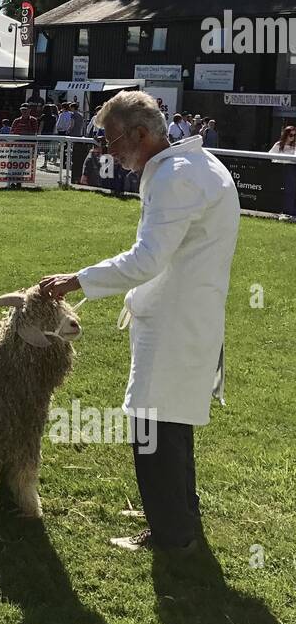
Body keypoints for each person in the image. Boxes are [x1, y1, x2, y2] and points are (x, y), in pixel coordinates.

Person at [41, 90, 240, 555]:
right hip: (188, 316)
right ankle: (180, 520)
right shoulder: (198, 165)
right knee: (172, 424)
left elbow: (147, 259)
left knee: (152, 426)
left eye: (112, 140)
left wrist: (77, 280)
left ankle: (172, 534)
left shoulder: (176, 178)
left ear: (142, 134)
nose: (107, 150)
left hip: (174, 322)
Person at [269, 125, 296, 222]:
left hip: (291, 170)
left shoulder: (295, 146)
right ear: (286, 135)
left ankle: (290, 211)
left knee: (291, 190)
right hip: (279, 170)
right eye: (291, 135)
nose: (293, 137)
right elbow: (270, 156)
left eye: (294, 135)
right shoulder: (278, 145)